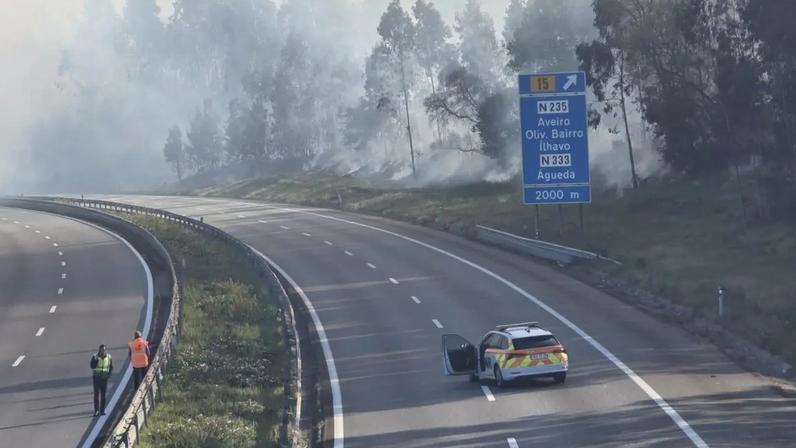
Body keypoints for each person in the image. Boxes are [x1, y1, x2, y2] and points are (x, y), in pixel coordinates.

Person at [90, 344, 113, 417]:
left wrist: (109, 375)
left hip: (104, 378)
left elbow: (111, 367)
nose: (102, 351)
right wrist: (96, 361)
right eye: (101, 350)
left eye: (103, 350)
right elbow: (92, 366)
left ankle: (102, 410)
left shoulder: (109, 357)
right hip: (96, 378)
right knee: (96, 395)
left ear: (106, 350)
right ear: (99, 350)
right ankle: (96, 410)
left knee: (103, 395)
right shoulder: (95, 356)